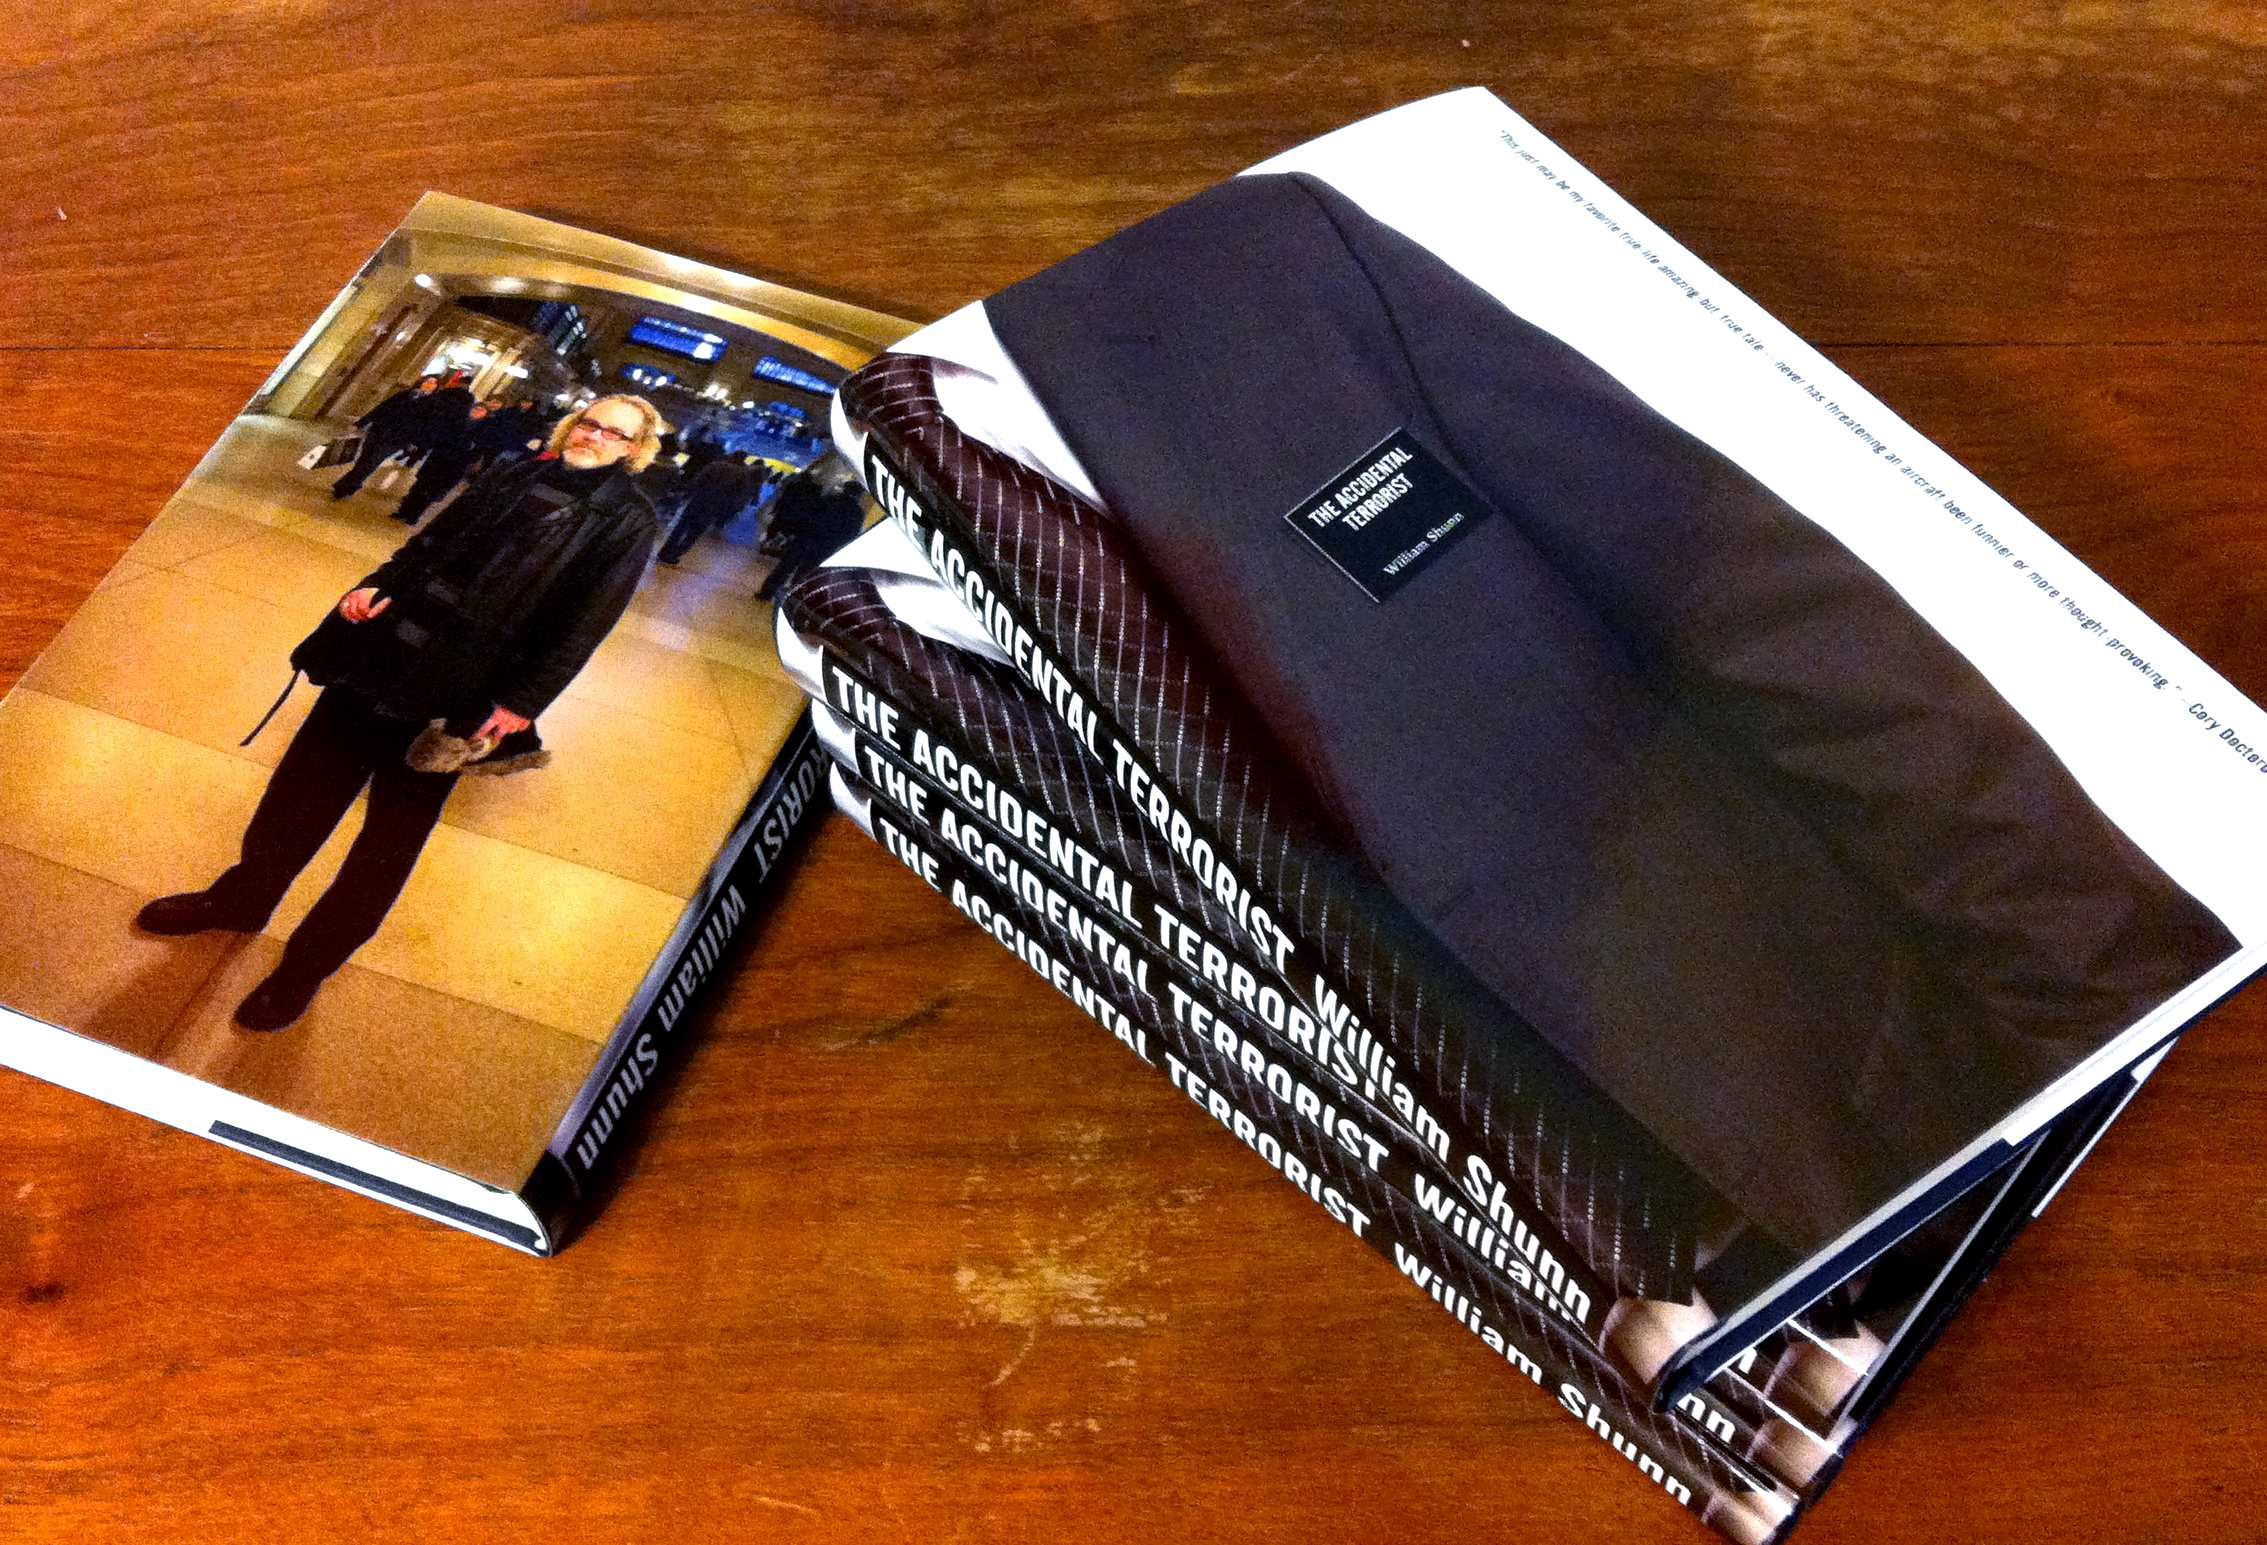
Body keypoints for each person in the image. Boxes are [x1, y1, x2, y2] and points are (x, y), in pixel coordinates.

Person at [138, 395, 669, 1031]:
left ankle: (307, 966)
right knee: (298, 793)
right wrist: (376, 585)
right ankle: (242, 900)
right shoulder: (515, 469)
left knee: (388, 840)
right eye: (589, 423)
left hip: (463, 691)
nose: (596, 437)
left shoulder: (626, 519)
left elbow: (588, 620)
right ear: (570, 425)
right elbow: (431, 541)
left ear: (635, 451)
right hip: (384, 656)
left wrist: (524, 701)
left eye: (615, 434)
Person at [327, 375, 440, 498]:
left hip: (398, 439)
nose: (429, 385)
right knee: (364, 459)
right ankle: (349, 485)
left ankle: (345, 486)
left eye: (433, 384)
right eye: (428, 381)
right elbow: (382, 408)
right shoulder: (404, 395)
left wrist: (416, 443)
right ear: (421, 382)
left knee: (373, 461)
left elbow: (425, 425)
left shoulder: (432, 404)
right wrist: (360, 423)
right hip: (379, 431)